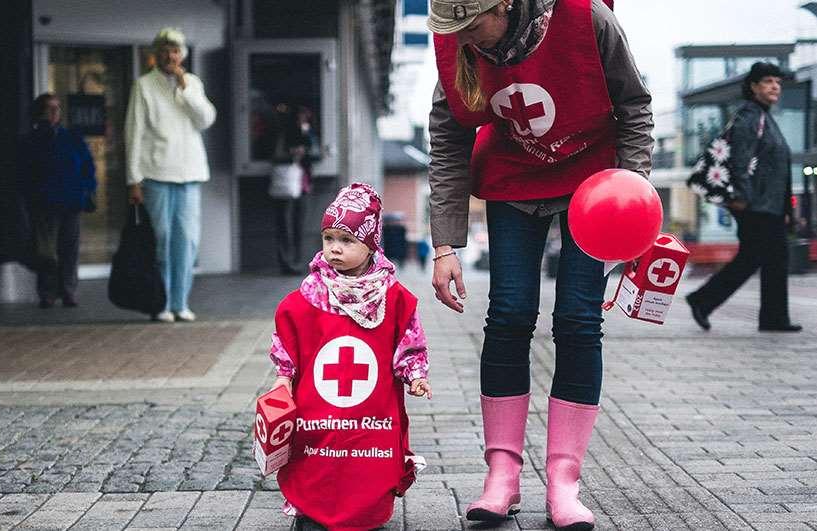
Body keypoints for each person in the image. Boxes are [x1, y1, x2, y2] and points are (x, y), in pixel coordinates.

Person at [426, 0, 652, 528]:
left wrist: (633, 192)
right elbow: (447, 139)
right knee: (507, 314)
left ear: (504, 6)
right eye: (454, 31)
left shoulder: (586, 17)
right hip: (513, 181)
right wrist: (444, 246)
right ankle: (501, 476)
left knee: (577, 319)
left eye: (473, 26)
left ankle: (563, 480)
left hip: (592, 186)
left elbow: (634, 105)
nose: (465, 40)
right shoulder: (455, 43)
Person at [269, 183, 431, 530]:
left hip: (373, 411)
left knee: (365, 457)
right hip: (317, 410)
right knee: (317, 455)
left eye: (347, 240)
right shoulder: (307, 297)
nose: (335, 249)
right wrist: (283, 380)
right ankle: (311, 510)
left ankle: (367, 511)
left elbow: (409, 337)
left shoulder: (393, 297)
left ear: (371, 243)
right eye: (329, 239)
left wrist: (415, 373)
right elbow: (288, 338)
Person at [686, 62, 801, 333]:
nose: (775, 86)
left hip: (766, 205)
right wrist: (743, 198)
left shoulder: (764, 116)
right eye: (768, 81)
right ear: (753, 87)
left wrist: (783, 207)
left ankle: (772, 318)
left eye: (778, 82)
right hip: (754, 205)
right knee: (758, 256)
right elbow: (738, 160)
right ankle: (703, 301)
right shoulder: (750, 116)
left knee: (769, 257)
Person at [125, 28, 216, 323]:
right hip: (156, 174)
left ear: (182, 55)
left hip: (190, 174)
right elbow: (134, 133)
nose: (170, 55)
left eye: (175, 50)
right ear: (157, 53)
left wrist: (185, 88)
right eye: (165, 49)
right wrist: (133, 179)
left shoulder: (192, 83)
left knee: (187, 242)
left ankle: (181, 302)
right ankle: (161, 302)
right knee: (160, 242)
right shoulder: (144, 85)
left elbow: (205, 119)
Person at [20, 93, 97, 309]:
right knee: (46, 251)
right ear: (40, 112)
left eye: (57, 108)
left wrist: (87, 189)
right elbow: (24, 173)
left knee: (69, 249)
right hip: (44, 202)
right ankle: (48, 291)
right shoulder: (31, 140)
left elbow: (87, 167)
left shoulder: (71, 137)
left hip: (71, 201)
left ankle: (68, 291)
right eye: (49, 108)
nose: (54, 113)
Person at [272, 104, 317, 275]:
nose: (303, 119)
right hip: (287, 182)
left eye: (306, 116)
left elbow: (315, 153)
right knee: (285, 224)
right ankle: (287, 262)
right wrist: (293, 153)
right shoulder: (284, 133)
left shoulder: (309, 132)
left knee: (299, 223)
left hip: (302, 182)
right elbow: (276, 154)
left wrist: (306, 138)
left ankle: (298, 261)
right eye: (301, 116)